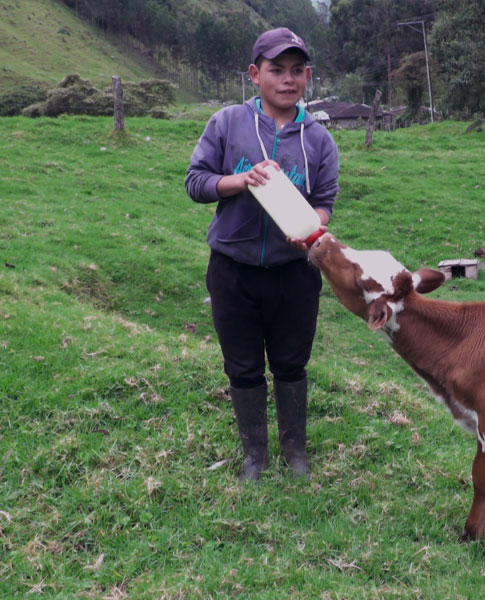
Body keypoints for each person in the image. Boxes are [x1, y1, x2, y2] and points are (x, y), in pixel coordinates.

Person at [185, 27, 339, 480]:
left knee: (291, 363)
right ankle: (255, 455)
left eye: (297, 70)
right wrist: (241, 180)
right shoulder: (227, 123)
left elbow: (325, 200)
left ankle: (295, 452)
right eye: (277, 70)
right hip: (232, 269)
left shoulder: (319, 139)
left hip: (294, 273)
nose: (288, 79)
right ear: (255, 74)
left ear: (307, 75)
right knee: (243, 365)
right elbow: (196, 182)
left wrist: (310, 227)